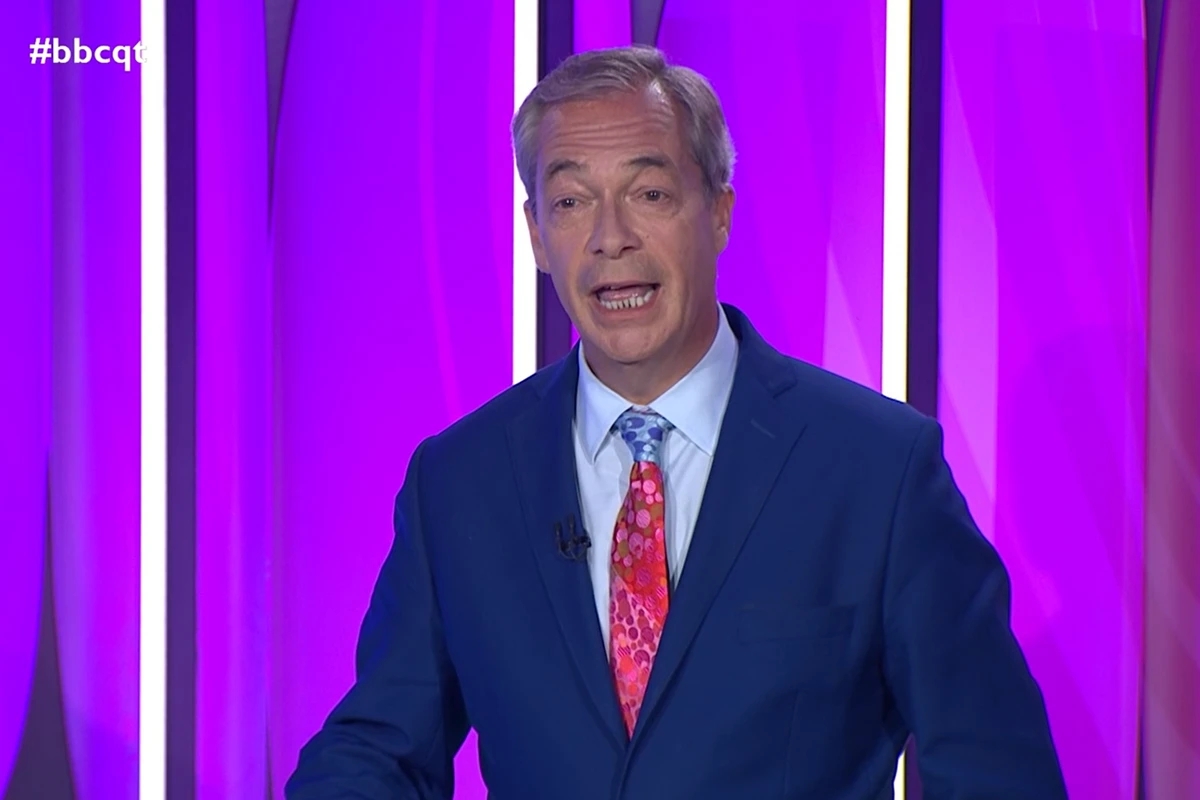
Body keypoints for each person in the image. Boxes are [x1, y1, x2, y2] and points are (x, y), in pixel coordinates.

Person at [286, 45, 1067, 799]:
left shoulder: (879, 471)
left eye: (650, 194)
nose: (610, 237)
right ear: (537, 236)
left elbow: (997, 773)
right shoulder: (459, 482)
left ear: (719, 213)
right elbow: (380, 751)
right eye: (571, 202)